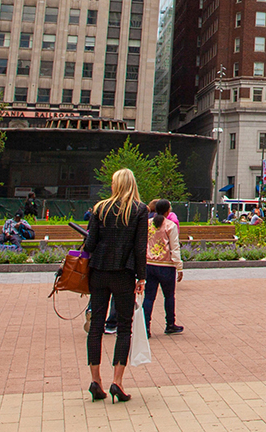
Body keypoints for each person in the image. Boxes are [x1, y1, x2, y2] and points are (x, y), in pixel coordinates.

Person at [82, 168, 147, 403]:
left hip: (98, 272)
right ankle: (117, 382)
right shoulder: (139, 210)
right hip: (124, 274)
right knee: (123, 327)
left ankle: (95, 379)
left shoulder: (100, 208)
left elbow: (90, 243)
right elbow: (140, 248)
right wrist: (141, 277)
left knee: (96, 325)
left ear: (115, 184)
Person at [143, 198, 184, 338]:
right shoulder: (170, 225)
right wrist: (179, 267)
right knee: (169, 296)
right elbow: (175, 247)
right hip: (166, 265)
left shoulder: (148, 224)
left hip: (149, 264)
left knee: (148, 297)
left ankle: (145, 326)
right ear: (167, 211)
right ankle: (170, 324)